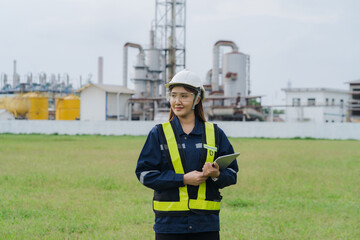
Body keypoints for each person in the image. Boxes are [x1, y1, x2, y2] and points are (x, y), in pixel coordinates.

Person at [135, 69, 238, 240]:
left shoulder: (215, 134)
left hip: (206, 225)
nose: (177, 101)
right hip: (169, 226)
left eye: (184, 96)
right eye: (174, 95)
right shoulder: (158, 134)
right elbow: (145, 174)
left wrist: (217, 174)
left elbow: (233, 174)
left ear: (197, 99)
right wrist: (182, 179)